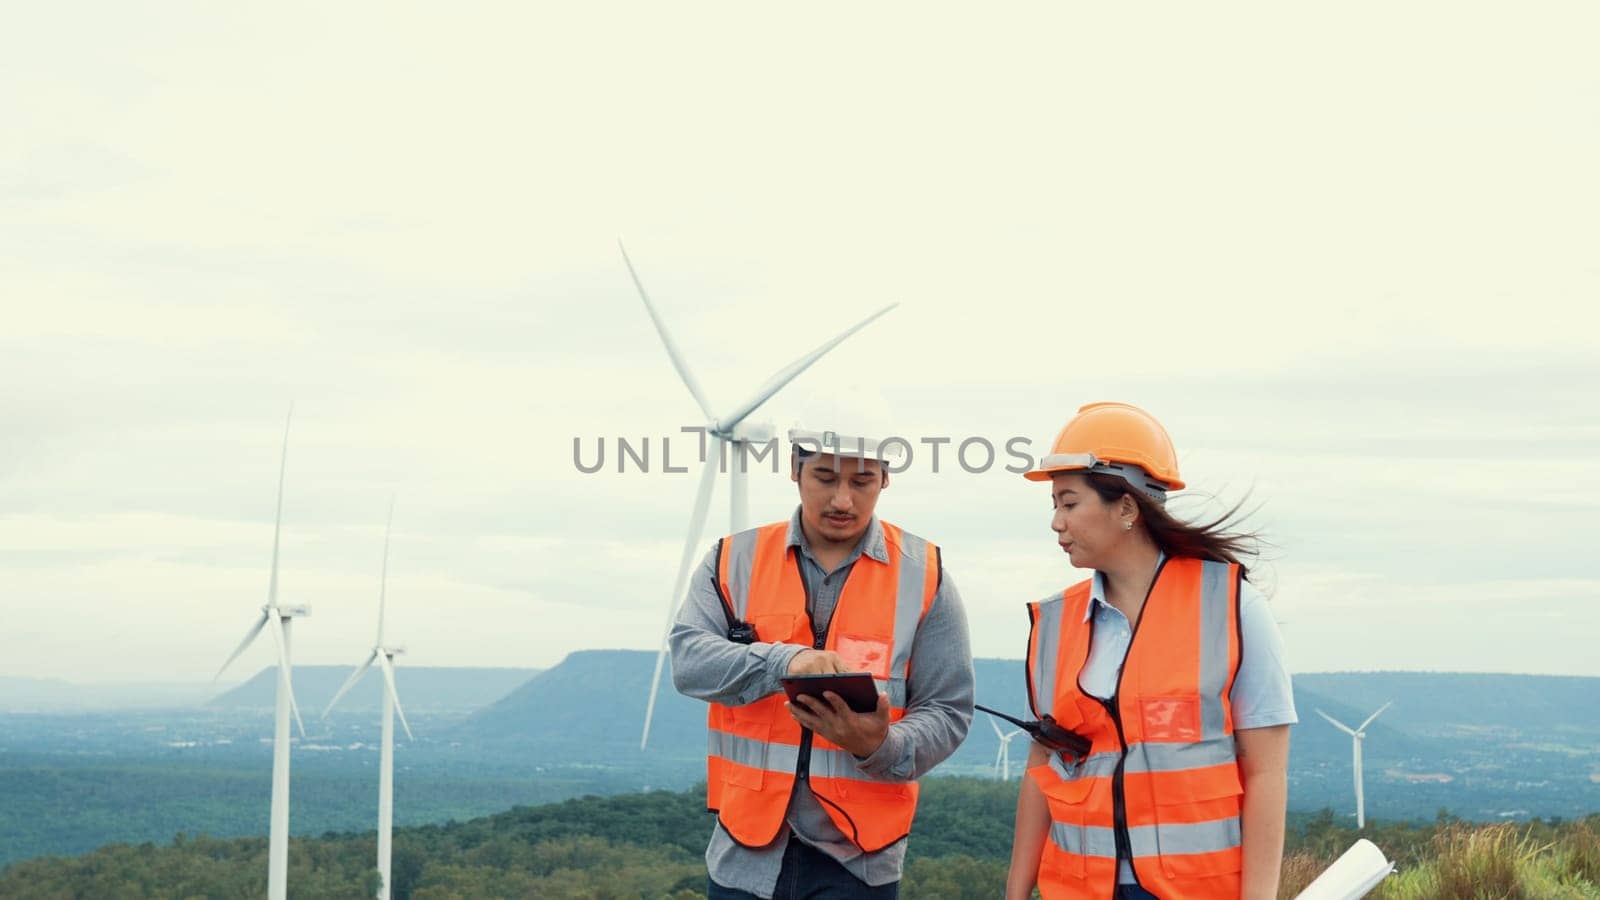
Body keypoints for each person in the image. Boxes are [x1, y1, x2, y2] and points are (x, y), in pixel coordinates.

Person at [1005, 403, 1296, 900]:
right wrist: (1015, 892)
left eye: (1069, 503)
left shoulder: (1231, 607)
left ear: (1126, 507)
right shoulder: (1053, 625)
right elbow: (1042, 768)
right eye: (1054, 505)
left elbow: (1267, 772)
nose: (1056, 522)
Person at [670, 425, 974, 899]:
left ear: (885, 479)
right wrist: (784, 663)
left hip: (859, 861)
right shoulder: (732, 560)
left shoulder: (925, 575)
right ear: (794, 470)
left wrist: (881, 745)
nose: (842, 501)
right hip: (744, 851)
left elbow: (949, 710)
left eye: (861, 482)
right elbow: (689, 661)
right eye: (825, 477)